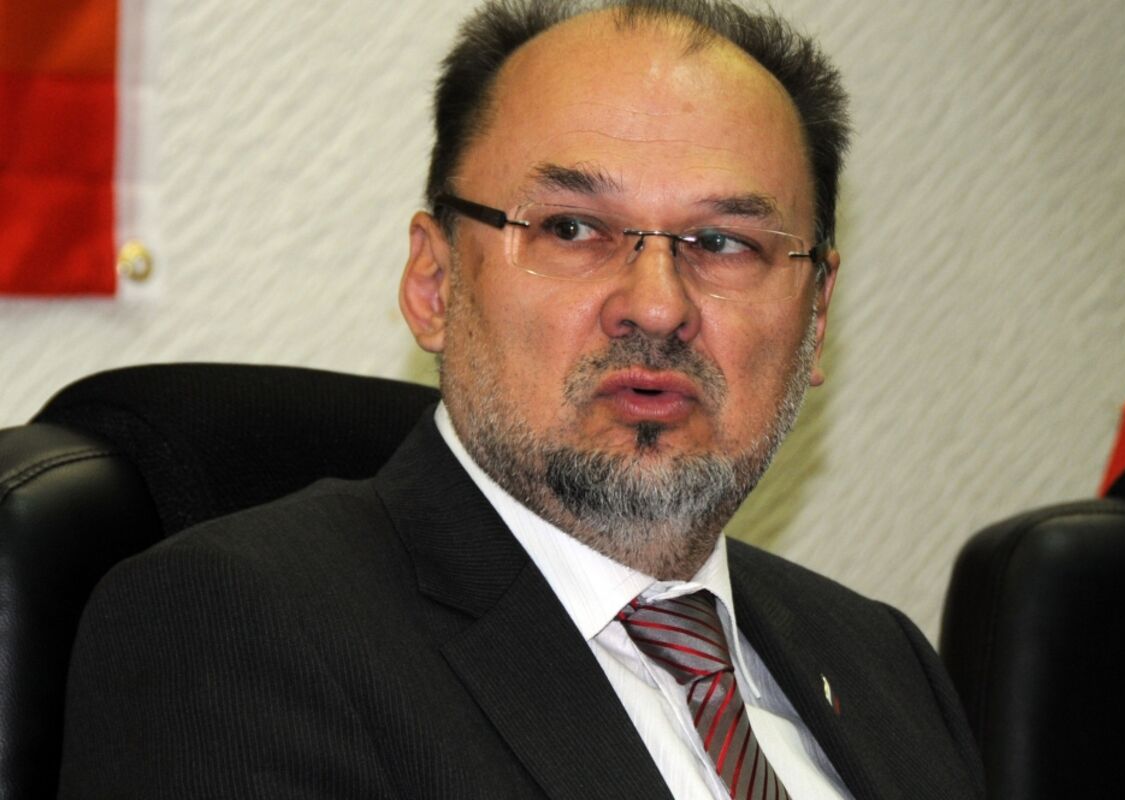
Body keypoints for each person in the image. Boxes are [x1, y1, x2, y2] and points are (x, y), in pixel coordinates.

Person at [58, 1, 984, 798]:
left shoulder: (884, 662)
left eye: (724, 242)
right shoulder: (235, 628)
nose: (657, 305)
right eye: (573, 228)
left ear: (815, 318)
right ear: (434, 285)